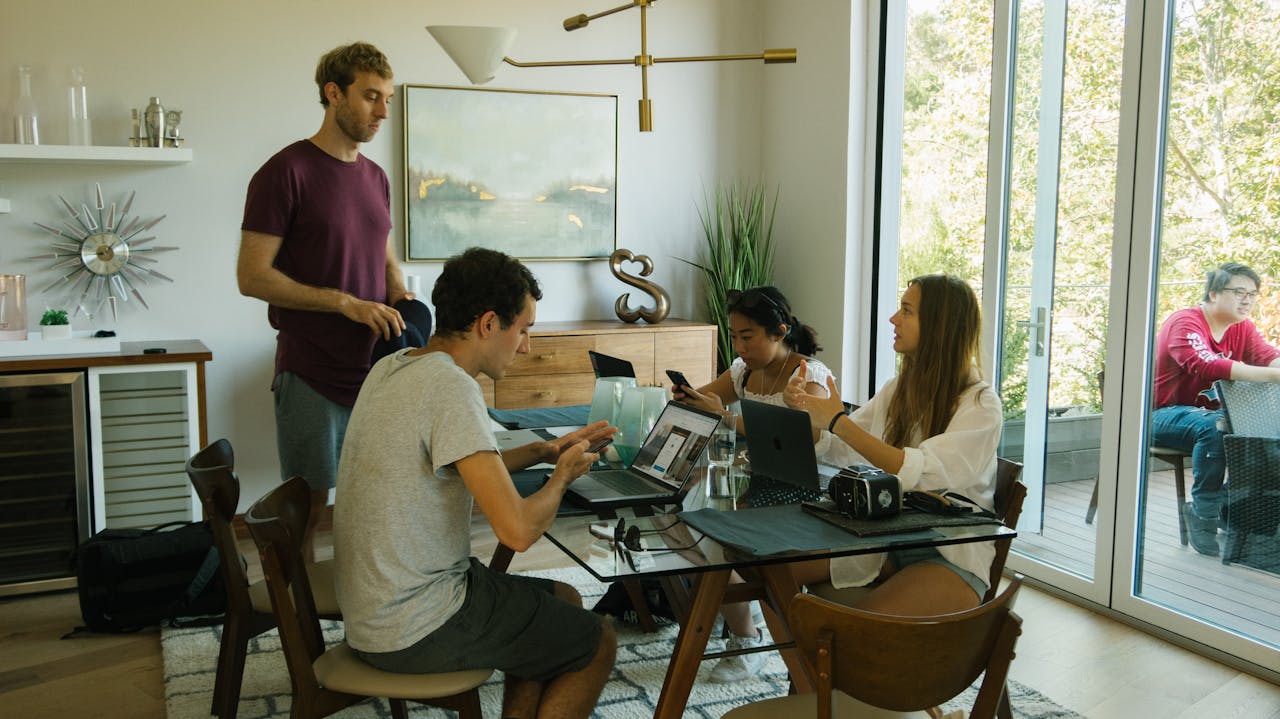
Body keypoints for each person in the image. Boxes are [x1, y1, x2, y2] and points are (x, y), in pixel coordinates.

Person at [333, 248, 617, 719]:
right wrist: (563, 477)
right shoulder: (452, 388)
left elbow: (451, 463)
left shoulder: (394, 366)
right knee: (596, 641)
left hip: (371, 615)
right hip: (415, 625)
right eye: (523, 329)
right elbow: (519, 532)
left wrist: (545, 453)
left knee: (561, 602)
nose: (525, 345)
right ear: (488, 324)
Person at [238, 41, 411, 561]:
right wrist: (345, 303)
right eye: (370, 97)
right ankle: (301, 622)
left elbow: (384, 259)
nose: (383, 111)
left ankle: (369, 605)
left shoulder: (376, 178)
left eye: (388, 98)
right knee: (309, 509)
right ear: (333, 94)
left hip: (375, 373)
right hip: (311, 371)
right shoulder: (284, 172)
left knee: (373, 501)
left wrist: (401, 294)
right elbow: (252, 277)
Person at [785, 274, 1003, 616]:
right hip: (883, 541)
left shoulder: (980, 406)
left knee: (854, 636)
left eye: (906, 310)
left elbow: (923, 473)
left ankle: (811, 661)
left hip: (948, 553)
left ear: (939, 326)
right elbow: (840, 446)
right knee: (774, 569)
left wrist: (836, 420)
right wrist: (808, 413)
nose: (893, 319)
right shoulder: (899, 387)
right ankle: (788, 657)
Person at [673, 285, 831, 682]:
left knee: (703, 530)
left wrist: (725, 417)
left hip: (803, 489)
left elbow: (806, 440)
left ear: (778, 332)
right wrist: (687, 397)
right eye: (733, 336)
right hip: (753, 478)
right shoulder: (744, 372)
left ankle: (748, 636)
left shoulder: (808, 375)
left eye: (747, 336)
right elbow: (705, 400)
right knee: (677, 520)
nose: (739, 346)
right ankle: (737, 613)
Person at [1151, 263, 1280, 556]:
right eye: (1238, 292)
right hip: (1160, 415)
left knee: (1258, 430)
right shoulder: (1185, 323)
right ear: (1213, 294)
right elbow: (1206, 364)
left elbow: (1267, 356)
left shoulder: (1242, 328)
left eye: (1252, 294)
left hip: (1210, 418)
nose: (1247, 300)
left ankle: (1223, 504)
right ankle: (1205, 514)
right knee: (1216, 426)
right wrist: (1274, 375)